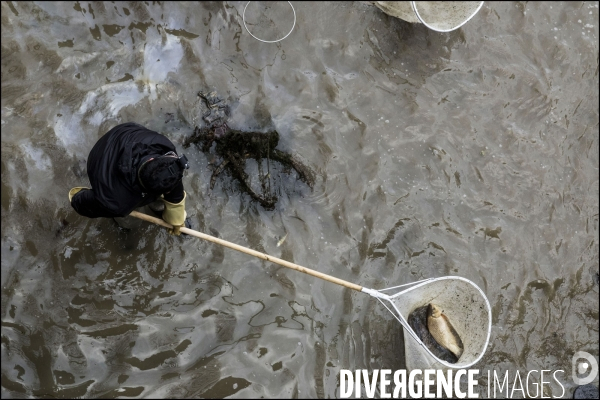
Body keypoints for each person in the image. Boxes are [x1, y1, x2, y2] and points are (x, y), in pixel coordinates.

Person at [69, 122, 189, 235]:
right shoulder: (116, 201)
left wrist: (177, 221)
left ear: (153, 159)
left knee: (162, 188)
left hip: (124, 133)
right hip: (98, 159)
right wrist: (77, 197)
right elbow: (81, 203)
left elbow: (174, 188)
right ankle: (124, 229)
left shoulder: (163, 147)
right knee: (128, 220)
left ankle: (161, 211)